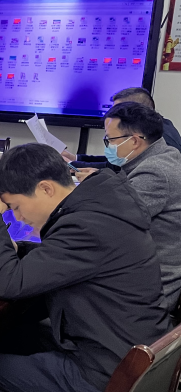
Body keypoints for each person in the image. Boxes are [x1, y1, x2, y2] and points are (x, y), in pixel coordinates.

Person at [0, 143, 169, 392]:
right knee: (13, 336)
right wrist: (20, 250)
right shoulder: (100, 205)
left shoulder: (85, 225)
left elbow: (11, 284)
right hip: (123, 349)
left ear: (46, 188)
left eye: (17, 207)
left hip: (110, 374)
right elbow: (67, 257)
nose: (18, 218)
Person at [76, 102, 181, 310]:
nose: (108, 146)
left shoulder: (155, 173)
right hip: (139, 271)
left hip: (147, 290)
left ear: (133, 141)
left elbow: (108, 224)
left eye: (110, 139)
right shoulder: (165, 155)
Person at [63, 87, 181, 165]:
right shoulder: (159, 125)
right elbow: (116, 163)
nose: (113, 114)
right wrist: (76, 159)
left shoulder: (161, 140)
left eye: (119, 110)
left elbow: (119, 169)